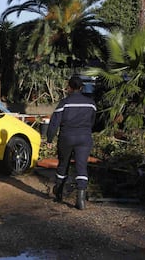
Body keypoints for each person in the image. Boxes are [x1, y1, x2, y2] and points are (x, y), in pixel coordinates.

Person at [46, 76, 96, 210]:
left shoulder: (64, 103)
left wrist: (49, 139)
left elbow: (54, 122)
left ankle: (59, 192)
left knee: (63, 164)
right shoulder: (91, 103)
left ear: (69, 87)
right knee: (81, 166)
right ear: (81, 88)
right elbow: (92, 122)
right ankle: (80, 198)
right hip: (85, 138)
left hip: (66, 138)